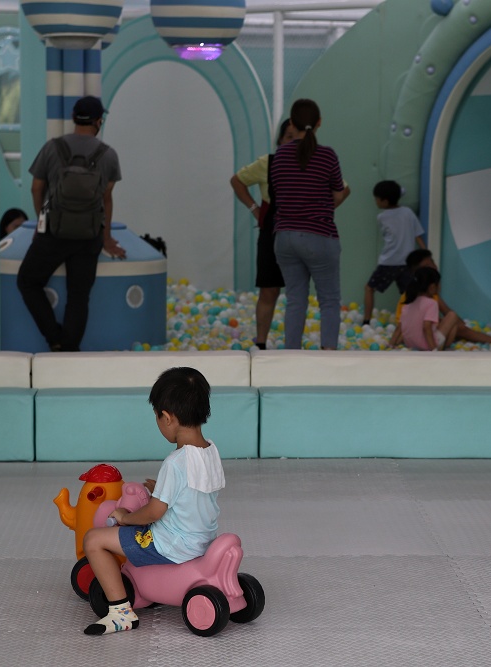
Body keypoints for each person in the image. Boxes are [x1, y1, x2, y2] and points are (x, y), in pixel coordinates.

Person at [81, 366, 225, 636]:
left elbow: (154, 513)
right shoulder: (211, 451)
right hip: (202, 539)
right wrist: (164, 489)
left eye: (157, 418)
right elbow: (199, 492)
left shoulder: (175, 462)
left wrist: (125, 518)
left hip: (172, 545)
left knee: (93, 539)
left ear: (168, 418)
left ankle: (120, 611)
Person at [17, 96, 125, 352]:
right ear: (99, 121)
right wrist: (106, 238)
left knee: (28, 281)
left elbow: (36, 187)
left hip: (54, 232)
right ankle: (68, 351)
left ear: (74, 118)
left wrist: (42, 221)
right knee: (79, 296)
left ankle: (54, 338)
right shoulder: (108, 155)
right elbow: (106, 198)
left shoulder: (53, 148)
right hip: (89, 236)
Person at [269, 99, 351, 350]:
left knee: (295, 300)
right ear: (319, 123)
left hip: (284, 237)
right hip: (319, 236)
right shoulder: (327, 155)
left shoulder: (279, 155)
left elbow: (278, 194)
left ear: (291, 123)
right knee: (328, 300)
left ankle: (292, 353)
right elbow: (338, 193)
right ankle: (327, 355)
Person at [229, 119, 296, 349]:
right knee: (269, 289)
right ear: (280, 140)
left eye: (298, 137)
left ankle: (293, 347)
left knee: (297, 294)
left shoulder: (313, 164)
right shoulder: (268, 163)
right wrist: (255, 209)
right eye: (289, 136)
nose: (294, 141)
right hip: (272, 235)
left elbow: (342, 189)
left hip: (301, 235)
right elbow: (237, 180)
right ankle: (261, 343)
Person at [390, 249, 491, 347]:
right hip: (414, 333)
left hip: (415, 335)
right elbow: (412, 324)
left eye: (432, 262)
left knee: (456, 325)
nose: (433, 267)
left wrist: (462, 325)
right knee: (457, 326)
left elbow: (445, 311)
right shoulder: (415, 297)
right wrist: (433, 349)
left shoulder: (428, 295)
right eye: (427, 266)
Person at [362, 180, 426, 326]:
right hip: (407, 263)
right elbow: (418, 236)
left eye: (377, 199)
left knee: (369, 288)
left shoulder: (382, 217)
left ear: (384, 201)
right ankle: (416, 321)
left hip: (389, 262)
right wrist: (426, 255)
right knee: (410, 294)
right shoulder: (408, 212)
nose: (376, 201)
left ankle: (366, 321)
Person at [399, 266, 460, 351]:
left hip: (410, 345)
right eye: (438, 284)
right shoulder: (431, 303)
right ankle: (446, 347)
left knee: (440, 321)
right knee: (452, 316)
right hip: (427, 346)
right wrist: (433, 350)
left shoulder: (409, 303)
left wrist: (392, 344)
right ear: (432, 287)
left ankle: (444, 346)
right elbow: (426, 327)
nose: (440, 287)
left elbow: (400, 326)